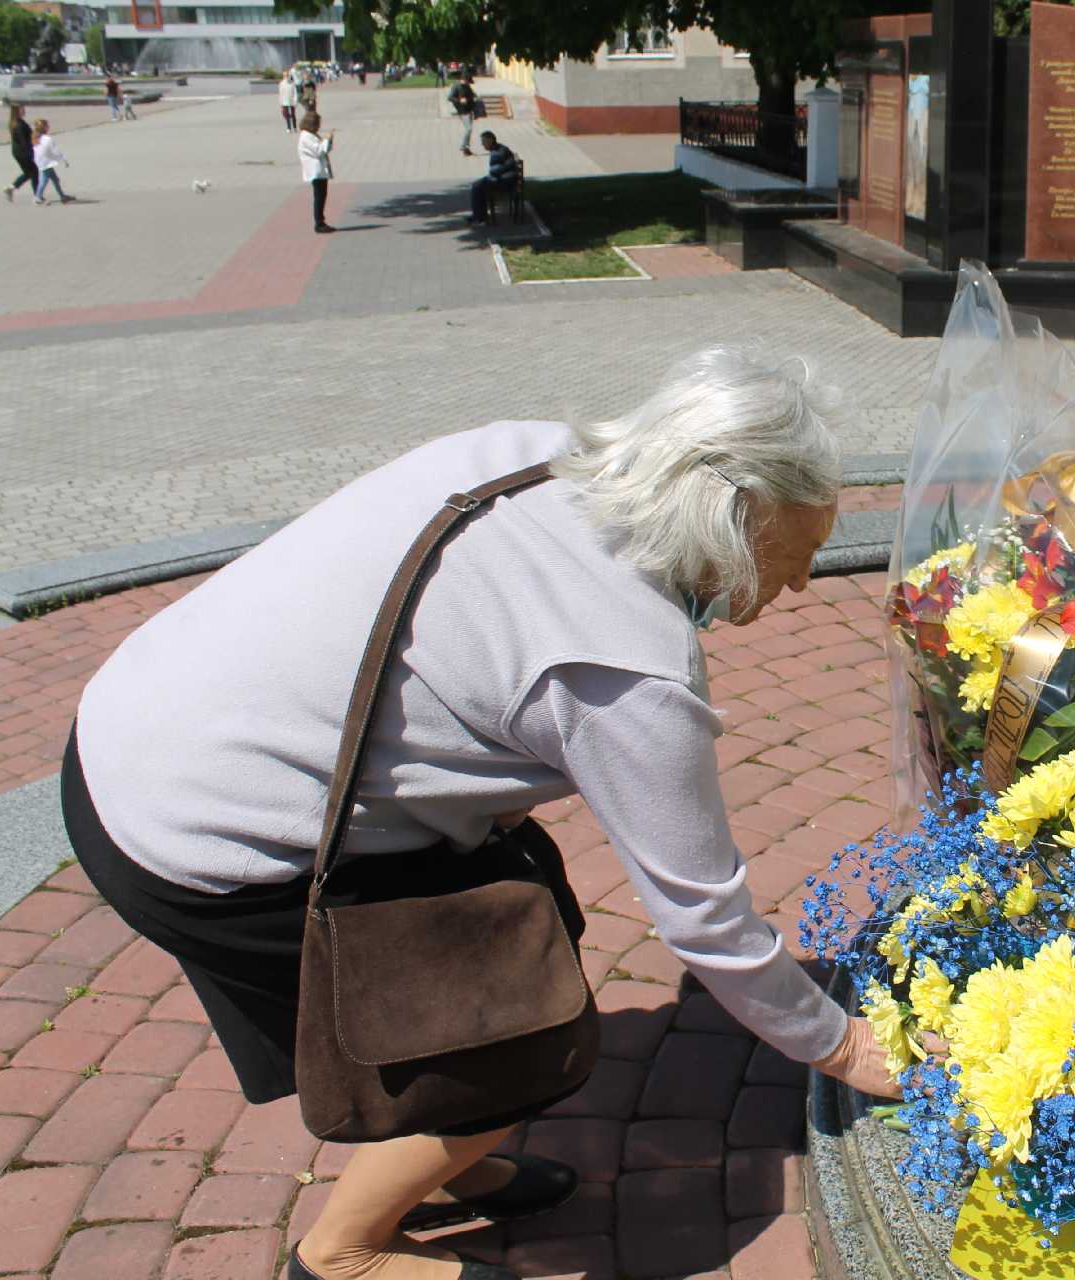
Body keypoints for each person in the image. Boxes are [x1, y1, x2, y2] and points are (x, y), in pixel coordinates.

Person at [64, 349, 903, 1280]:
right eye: (805, 547)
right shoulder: (627, 670)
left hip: (129, 730)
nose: (799, 583)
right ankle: (344, 1252)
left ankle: (442, 1154)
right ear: (737, 515)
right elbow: (703, 917)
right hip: (199, 832)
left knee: (531, 909)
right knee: (510, 1045)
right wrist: (841, 1043)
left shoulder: (536, 454)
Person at [468, 130, 518, 226]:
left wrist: (486, 179)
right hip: (508, 178)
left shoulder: (497, 153)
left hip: (506, 181)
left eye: (484, 141)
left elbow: (495, 172)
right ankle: (479, 215)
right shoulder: (500, 148)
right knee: (478, 185)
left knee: (477, 187)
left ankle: (479, 218)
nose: (482, 144)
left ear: (490, 140)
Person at [298, 110, 333, 233]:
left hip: (319, 171)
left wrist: (329, 141)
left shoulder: (311, 135)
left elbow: (325, 149)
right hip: (315, 171)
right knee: (319, 197)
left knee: (322, 196)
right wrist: (327, 140)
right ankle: (319, 223)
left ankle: (321, 221)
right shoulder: (306, 136)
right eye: (317, 124)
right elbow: (319, 150)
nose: (318, 127)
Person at [2, 103, 37, 203]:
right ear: (17, 111)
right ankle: (37, 197)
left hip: (18, 152)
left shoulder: (17, 122)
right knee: (34, 172)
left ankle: (11, 188)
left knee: (29, 173)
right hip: (23, 153)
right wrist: (31, 153)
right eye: (22, 109)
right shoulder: (19, 125)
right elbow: (23, 141)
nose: (24, 111)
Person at [31, 118, 70, 205]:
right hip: (46, 163)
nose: (49, 127)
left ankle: (62, 196)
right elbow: (55, 150)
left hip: (41, 162)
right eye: (47, 126)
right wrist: (63, 159)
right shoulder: (47, 139)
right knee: (44, 180)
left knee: (55, 179)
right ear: (44, 128)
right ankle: (37, 197)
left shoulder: (35, 138)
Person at [447, 70, 477, 156]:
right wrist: (460, 100)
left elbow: (472, 94)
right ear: (464, 79)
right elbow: (450, 97)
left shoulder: (467, 86)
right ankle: (463, 146)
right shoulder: (456, 86)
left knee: (469, 130)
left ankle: (466, 149)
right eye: (468, 81)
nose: (469, 83)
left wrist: (475, 97)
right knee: (469, 129)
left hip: (469, 109)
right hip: (462, 111)